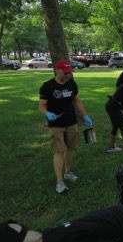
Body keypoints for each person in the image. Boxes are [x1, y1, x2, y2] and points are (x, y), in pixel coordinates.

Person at [38, 60, 93, 194]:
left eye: (70, 72)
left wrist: (85, 116)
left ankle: (68, 172)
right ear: (57, 70)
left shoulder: (72, 84)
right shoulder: (47, 87)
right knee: (59, 151)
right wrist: (47, 113)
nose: (68, 74)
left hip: (71, 122)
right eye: (66, 72)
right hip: (56, 125)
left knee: (70, 148)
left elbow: (77, 100)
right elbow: (41, 105)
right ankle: (59, 181)